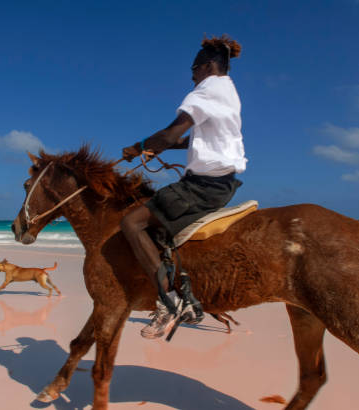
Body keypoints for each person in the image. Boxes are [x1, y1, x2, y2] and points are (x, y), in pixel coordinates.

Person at [120, 35, 247, 339]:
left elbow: (171, 132)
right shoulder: (228, 90)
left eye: (193, 68)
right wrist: (163, 148)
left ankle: (170, 302)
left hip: (202, 186)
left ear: (206, 66)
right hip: (224, 183)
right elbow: (195, 139)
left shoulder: (204, 91)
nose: (191, 75)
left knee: (132, 222)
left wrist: (139, 147)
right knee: (159, 227)